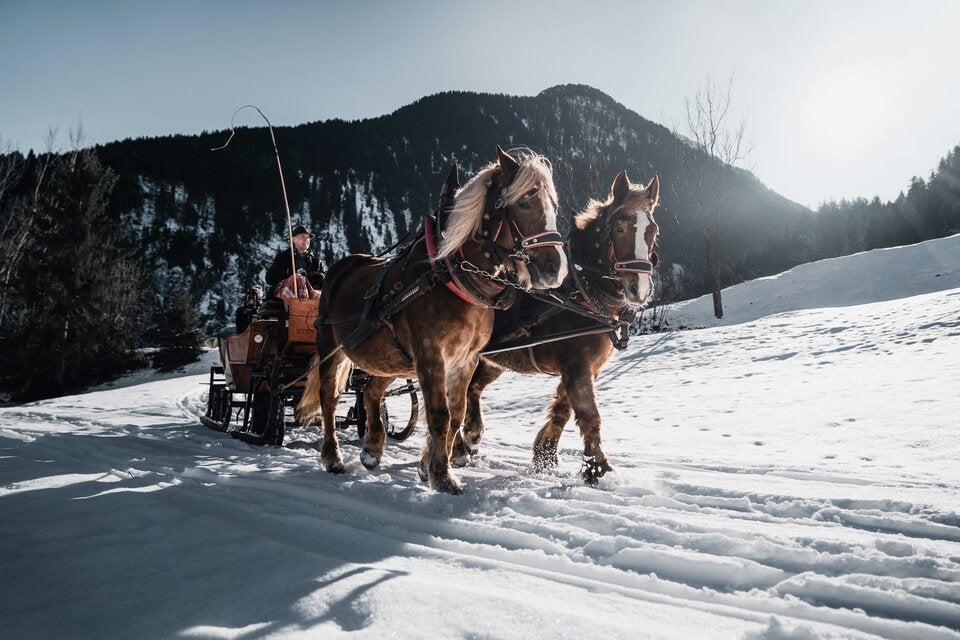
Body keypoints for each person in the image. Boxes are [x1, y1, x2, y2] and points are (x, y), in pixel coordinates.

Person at [265, 223, 325, 299]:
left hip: (310, 294)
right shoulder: (283, 257)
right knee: (297, 278)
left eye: (308, 237)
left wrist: (317, 277)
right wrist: (289, 273)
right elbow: (269, 278)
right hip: (286, 296)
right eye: (303, 237)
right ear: (293, 239)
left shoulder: (316, 261)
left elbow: (325, 278)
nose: (306, 240)